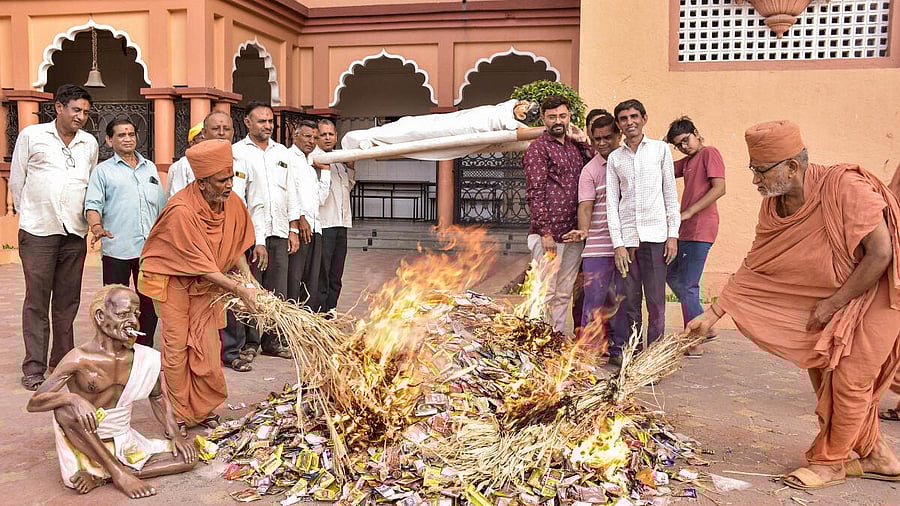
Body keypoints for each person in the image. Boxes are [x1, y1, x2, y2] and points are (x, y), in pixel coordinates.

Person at [686, 120, 900, 490]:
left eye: (761, 171)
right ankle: (876, 455)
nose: (756, 180)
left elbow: (881, 253)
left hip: (883, 288)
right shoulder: (774, 205)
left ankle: (830, 463)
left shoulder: (844, 187)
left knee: (850, 378)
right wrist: (712, 314)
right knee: (824, 369)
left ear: (791, 166)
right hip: (838, 291)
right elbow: (758, 263)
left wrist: (833, 304)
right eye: (753, 170)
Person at [26, 285, 198, 499]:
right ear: (100, 316)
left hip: (122, 438)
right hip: (86, 442)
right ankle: (119, 473)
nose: (132, 321)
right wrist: (73, 399)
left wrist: (175, 435)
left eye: (136, 315)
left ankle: (103, 476)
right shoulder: (79, 359)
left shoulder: (145, 358)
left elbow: (158, 397)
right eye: (123, 314)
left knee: (189, 458)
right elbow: (35, 403)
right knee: (64, 409)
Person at [138, 139, 258, 428]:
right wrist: (239, 289)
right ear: (202, 183)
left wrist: (249, 278)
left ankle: (201, 410)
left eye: (230, 177)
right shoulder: (181, 209)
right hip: (173, 283)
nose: (229, 185)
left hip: (208, 285)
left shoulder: (232, 202)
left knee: (207, 346)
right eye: (221, 181)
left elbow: (234, 246)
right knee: (177, 348)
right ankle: (178, 413)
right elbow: (199, 265)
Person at [10, 84, 99, 391]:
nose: (81, 116)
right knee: (37, 301)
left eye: (85, 112)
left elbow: (90, 182)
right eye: (76, 110)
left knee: (67, 302)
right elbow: (18, 180)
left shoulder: (89, 143)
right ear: (59, 108)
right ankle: (34, 368)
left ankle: (61, 362)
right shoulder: (32, 136)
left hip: (74, 232)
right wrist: (29, 215)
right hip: (38, 231)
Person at [605, 99, 680, 366]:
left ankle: (654, 360)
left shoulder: (660, 150)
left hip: (656, 238)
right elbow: (612, 204)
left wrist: (673, 235)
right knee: (630, 303)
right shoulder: (615, 158)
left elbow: (670, 195)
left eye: (634, 116)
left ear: (644, 118)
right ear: (619, 124)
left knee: (657, 302)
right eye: (624, 119)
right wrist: (618, 244)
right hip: (628, 241)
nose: (630, 122)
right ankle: (634, 356)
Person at [85, 119, 167, 347]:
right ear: (109, 140)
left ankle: (143, 349)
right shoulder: (102, 171)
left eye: (131, 134)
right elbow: (92, 205)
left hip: (149, 251)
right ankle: (116, 348)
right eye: (121, 135)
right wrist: (97, 227)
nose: (128, 139)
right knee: (115, 303)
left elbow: (162, 207)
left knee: (148, 303)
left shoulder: (149, 167)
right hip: (117, 248)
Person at [232, 102, 300, 360]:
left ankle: (272, 341)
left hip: (279, 231)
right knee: (251, 287)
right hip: (251, 236)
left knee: (278, 290)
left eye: (270, 121)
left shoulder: (281, 152)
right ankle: (250, 342)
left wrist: (293, 228)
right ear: (247, 123)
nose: (268, 126)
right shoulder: (237, 152)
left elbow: (291, 192)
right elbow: (239, 201)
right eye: (262, 121)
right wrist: (256, 240)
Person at [523, 95, 594, 334]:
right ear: (543, 119)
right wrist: (545, 233)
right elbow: (534, 192)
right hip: (549, 236)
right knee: (545, 292)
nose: (558, 121)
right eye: (552, 116)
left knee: (564, 292)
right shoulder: (538, 148)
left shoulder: (575, 148)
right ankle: (536, 341)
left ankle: (556, 338)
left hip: (574, 233)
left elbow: (596, 162)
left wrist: (583, 141)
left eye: (562, 116)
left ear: (569, 117)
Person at [664, 117, 726, 358]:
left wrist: (690, 211)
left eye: (686, 140)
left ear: (696, 133)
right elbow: (663, 168)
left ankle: (694, 340)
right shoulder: (688, 161)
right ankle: (704, 326)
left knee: (689, 284)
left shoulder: (709, 153)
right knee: (671, 274)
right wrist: (661, 145)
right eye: (678, 145)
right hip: (685, 229)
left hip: (701, 227)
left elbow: (719, 188)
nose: (684, 146)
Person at [563, 111, 622, 353]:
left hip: (627, 245)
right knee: (593, 301)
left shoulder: (630, 162)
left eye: (607, 137)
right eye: (597, 139)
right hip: (597, 245)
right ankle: (588, 350)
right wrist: (584, 230)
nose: (602, 143)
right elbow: (585, 205)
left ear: (618, 136)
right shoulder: (590, 170)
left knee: (622, 302)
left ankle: (620, 348)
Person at [341, 99, 539, 160]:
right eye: (526, 102)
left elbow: (521, 134)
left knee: (413, 133)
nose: (523, 103)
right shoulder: (503, 108)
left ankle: (369, 139)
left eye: (526, 106)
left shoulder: (510, 121)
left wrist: (548, 131)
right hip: (452, 121)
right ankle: (368, 138)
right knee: (409, 125)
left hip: (460, 129)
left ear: (522, 115)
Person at [287, 120, 329, 309]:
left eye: (314, 137)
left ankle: (306, 321)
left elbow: (320, 199)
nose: (311, 141)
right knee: (294, 281)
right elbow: (289, 192)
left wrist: (325, 171)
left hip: (315, 228)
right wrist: (300, 219)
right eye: (307, 136)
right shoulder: (288, 158)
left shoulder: (310, 165)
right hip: (300, 228)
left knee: (311, 283)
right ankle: (291, 321)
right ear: (295, 136)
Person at [317, 118, 356, 312]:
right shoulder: (314, 160)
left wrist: (351, 167)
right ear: (316, 137)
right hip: (324, 225)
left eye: (330, 134)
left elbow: (348, 187)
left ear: (336, 136)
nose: (327, 138)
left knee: (336, 275)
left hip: (341, 224)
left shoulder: (339, 161)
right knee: (322, 275)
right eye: (323, 134)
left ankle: (331, 312)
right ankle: (321, 314)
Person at [165, 121, 204, 196]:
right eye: (202, 138)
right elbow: (177, 194)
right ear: (192, 143)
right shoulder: (182, 164)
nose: (206, 141)